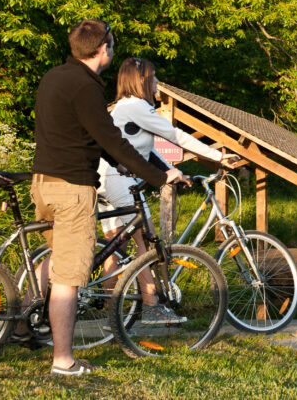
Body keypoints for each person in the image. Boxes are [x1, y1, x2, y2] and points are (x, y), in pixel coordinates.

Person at [31, 19, 187, 377]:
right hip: (72, 188)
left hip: (44, 181)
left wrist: (125, 165)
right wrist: (158, 175)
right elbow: (111, 140)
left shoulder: (54, 77)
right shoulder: (86, 87)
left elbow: (89, 139)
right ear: (104, 48)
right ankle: (63, 360)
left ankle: (23, 325)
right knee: (70, 277)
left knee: (55, 258)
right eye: (112, 45)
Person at [96, 56, 238, 323]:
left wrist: (175, 174)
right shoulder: (136, 106)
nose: (158, 82)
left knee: (116, 247)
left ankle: (109, 312)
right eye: (154, 76)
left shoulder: (123, 108)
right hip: (118, 178)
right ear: (141, 80)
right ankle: (151, 307)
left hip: (104, 177)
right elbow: (175, 135)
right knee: (146, 242)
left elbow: (145, 152)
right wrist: (218, 156)